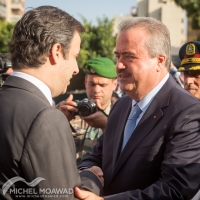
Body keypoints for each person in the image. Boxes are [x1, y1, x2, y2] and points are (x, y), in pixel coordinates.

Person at [75, 17, 200, 200]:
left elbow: (175, 190)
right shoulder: (122, 106)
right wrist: (86, 184)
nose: (119, 65)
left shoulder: (188, 112)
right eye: (118, 56)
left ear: (159, 61)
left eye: (129, 56)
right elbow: (96, 157)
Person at [0, 6, 102, 199]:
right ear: (56, 51)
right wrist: (92, 179)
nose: (76, 69)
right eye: (75, 57)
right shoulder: (46, 117)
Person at [57, 57, 117, 164]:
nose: (96, 90)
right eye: (92, 84)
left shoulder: (121, 116)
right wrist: (56, 118)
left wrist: (107, 125)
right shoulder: (71, 111)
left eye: (102, 85)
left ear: (114, 84)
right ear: (85, 82)